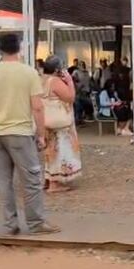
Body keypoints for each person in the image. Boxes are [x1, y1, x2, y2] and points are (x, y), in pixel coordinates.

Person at [0, 34, 59, 235]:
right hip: (20, 132)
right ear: (19, 48)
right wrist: (41, 134)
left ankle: (10, 224)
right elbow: (38, 107)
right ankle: (36, 222)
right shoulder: (28, 73)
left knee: (3, 181)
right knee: (31, 179)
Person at [40, 56, 82, 193]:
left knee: (50, 151)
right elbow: (70, 97)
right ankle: (55, 183)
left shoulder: (42, 79)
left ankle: (48, 178)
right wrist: (69, 82)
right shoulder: (55, 81)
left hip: (46, 120)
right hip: (59, 123)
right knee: (59, 151)